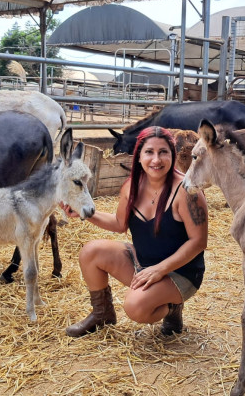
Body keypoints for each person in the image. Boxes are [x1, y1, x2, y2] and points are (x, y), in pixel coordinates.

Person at [60, 126, 208, 337]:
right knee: (90, 252)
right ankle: (102, 314)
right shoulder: (131, 187)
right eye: (149, 152)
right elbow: (120, 224)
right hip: (143, 262)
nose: (156, 160)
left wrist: (159, 270)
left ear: (172, 155)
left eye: (163, 152)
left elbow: (198, 242)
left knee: (135, 308)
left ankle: (173, 307)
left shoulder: (187, 191)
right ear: (138, 155)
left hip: (180, 272)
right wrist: (85, 214)